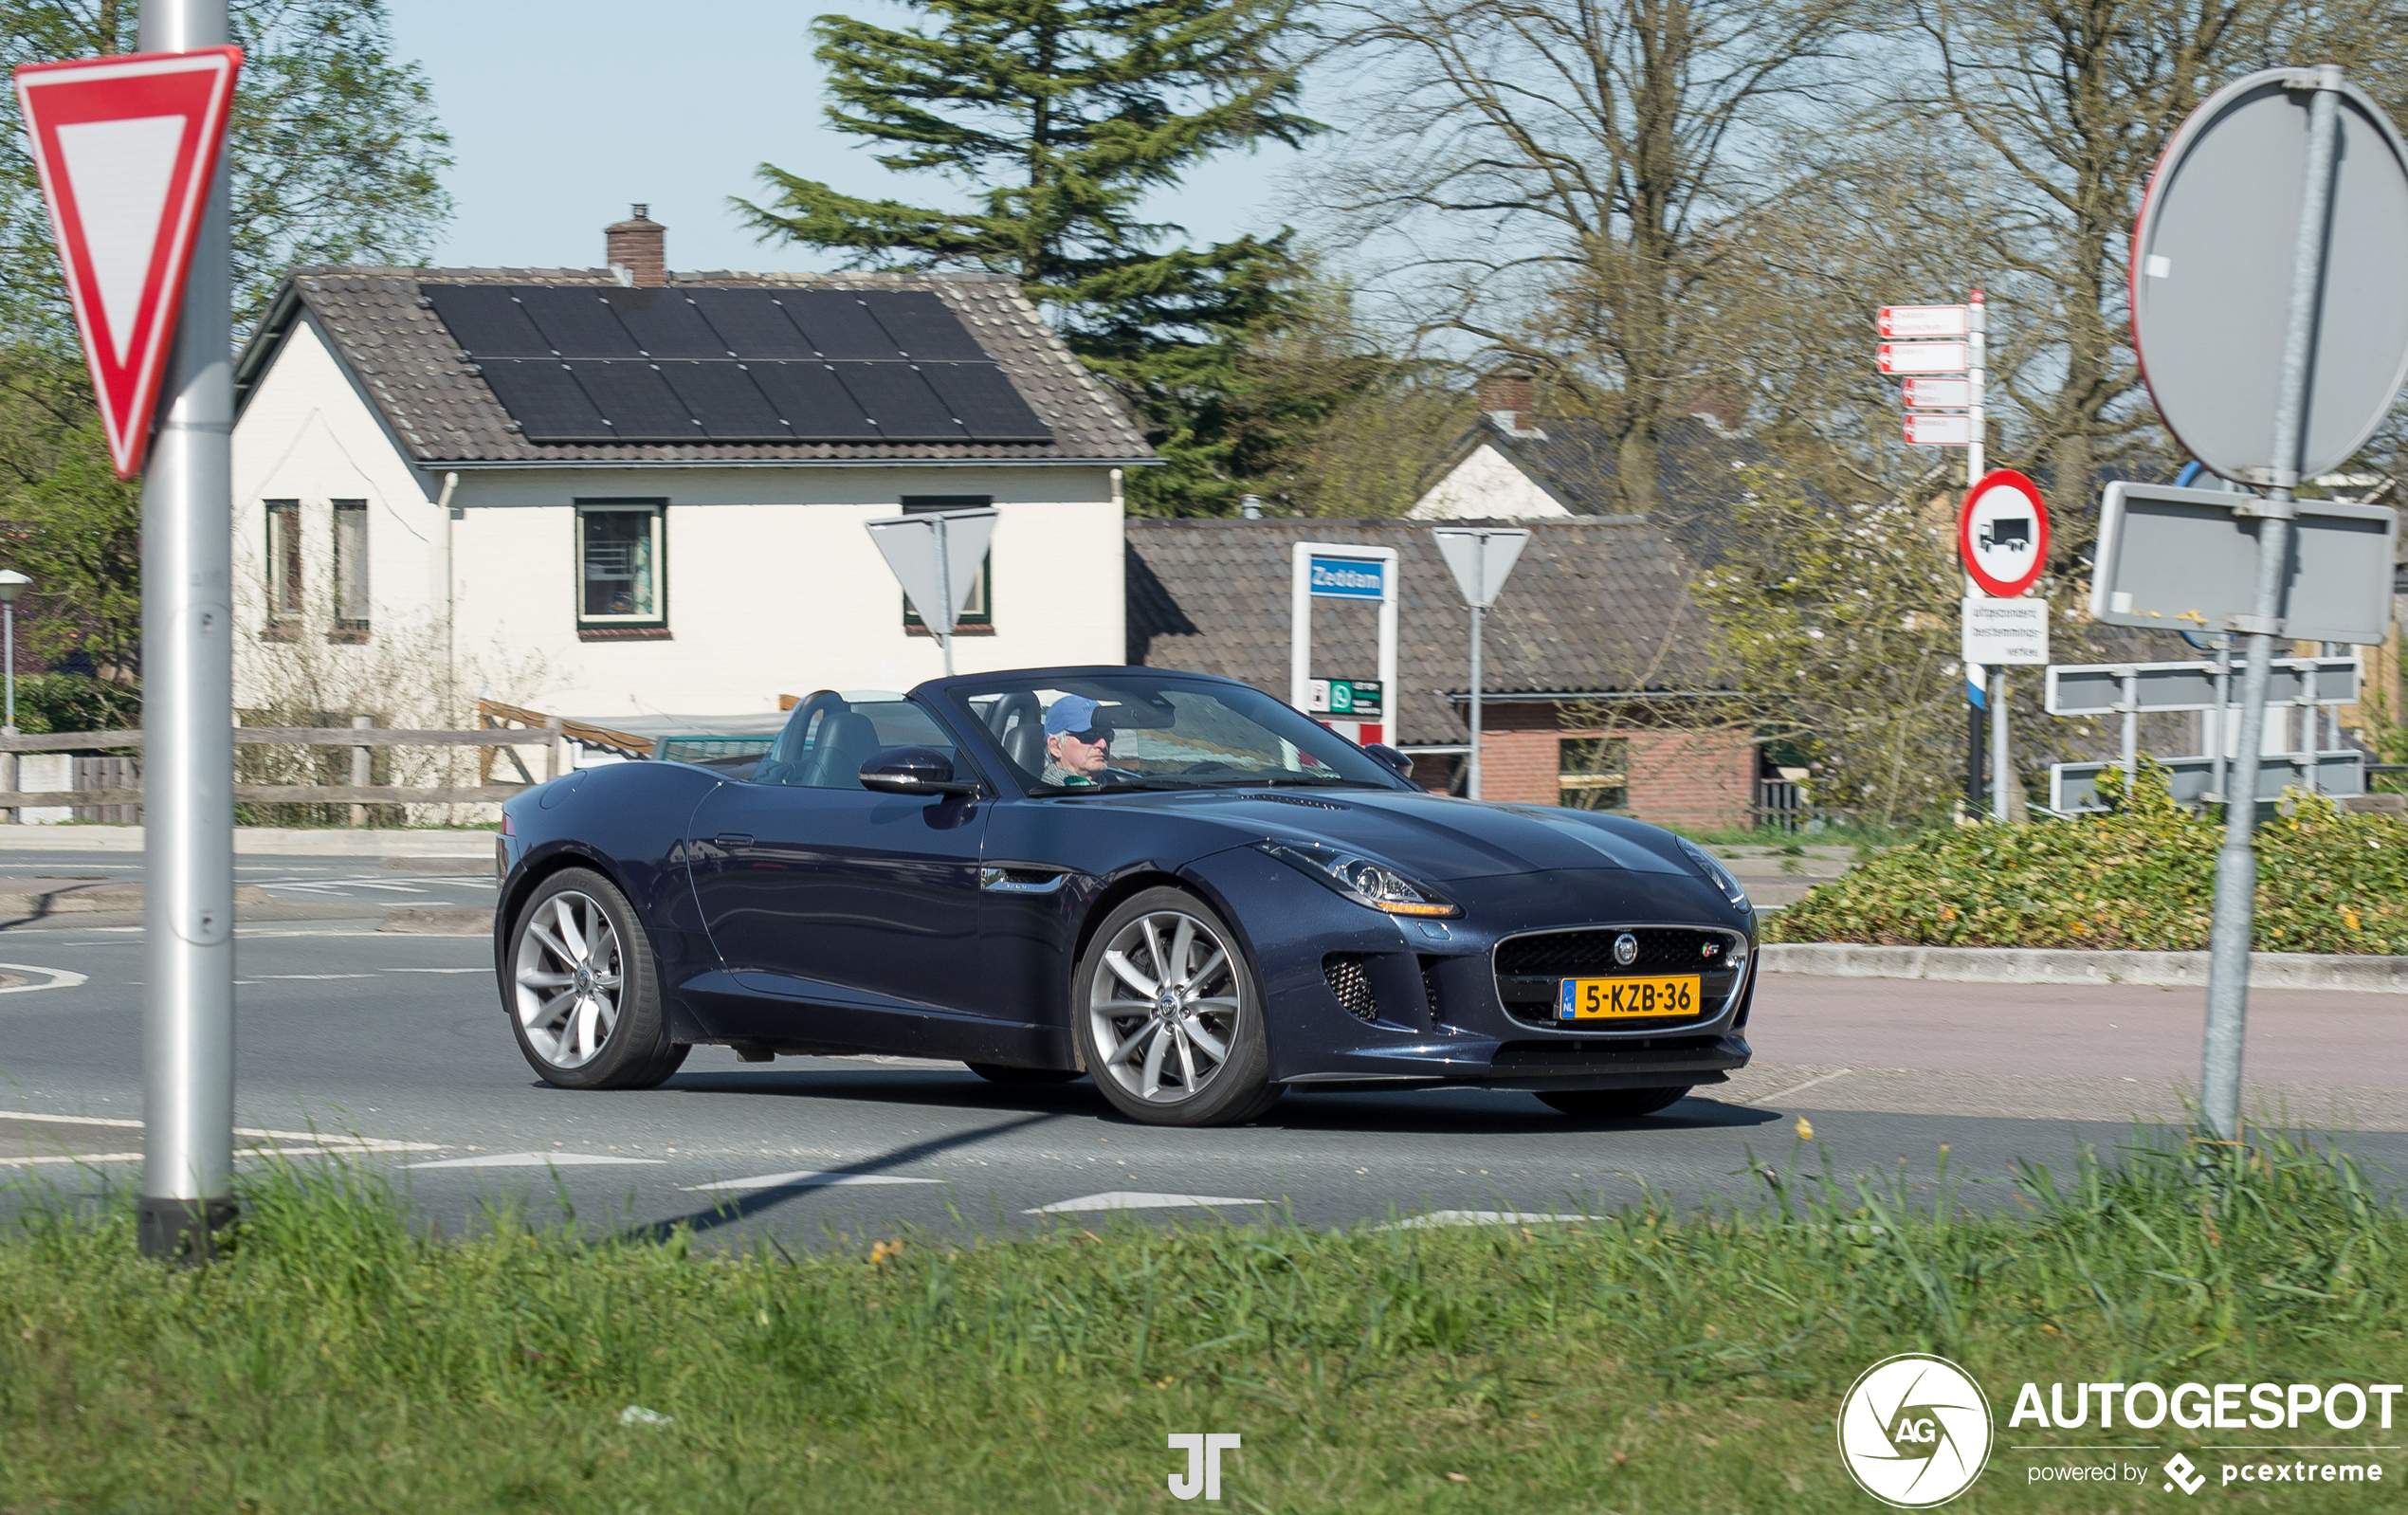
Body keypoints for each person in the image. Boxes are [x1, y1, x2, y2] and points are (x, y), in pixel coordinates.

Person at [1039, 694, 1117, 787]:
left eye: (1108, 735)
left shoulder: (1119, 788)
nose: (1103, 744)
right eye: (1089, 736)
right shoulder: (1044, 798)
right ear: (1055, 746)